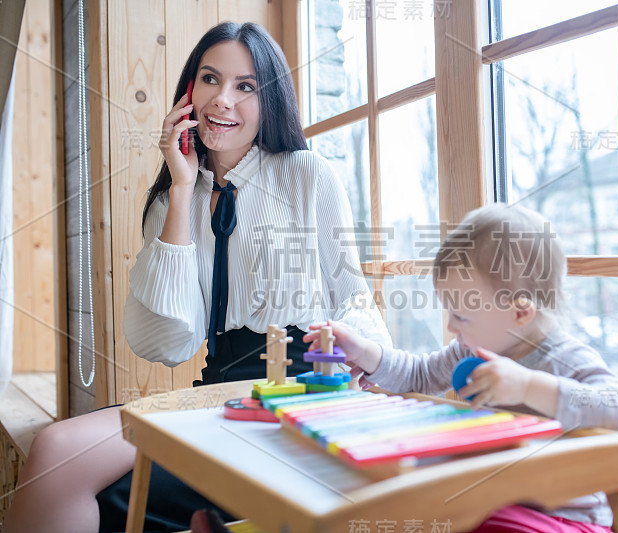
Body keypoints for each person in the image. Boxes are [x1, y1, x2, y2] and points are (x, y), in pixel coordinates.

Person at [4, 22, 389, 533]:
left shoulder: (305, 174)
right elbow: (168, 341)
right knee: (55, 446)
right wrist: (183, 190)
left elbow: (352, 297)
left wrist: (389, 382)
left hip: (297, 394)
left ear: (269, 100)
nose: (222, 99)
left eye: (245, 86)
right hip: (218, 395)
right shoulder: (169, 200)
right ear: (189, 90)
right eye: (210, 79)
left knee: (106, 491)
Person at [304, 203, 618, 533]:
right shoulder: (470, 349)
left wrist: (527, 386)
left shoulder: (566, 359)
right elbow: (418, 377)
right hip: (490, 499)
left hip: (563, 517)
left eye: (462, 316)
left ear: (521, 312)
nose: (452, 327)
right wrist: (363, 351)